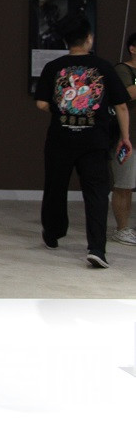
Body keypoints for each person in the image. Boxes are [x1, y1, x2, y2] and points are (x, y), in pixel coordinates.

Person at [34, 15, 131, 268]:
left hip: (60, 140)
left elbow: (41, 103)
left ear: (67, 40)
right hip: (94, 141)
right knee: (96, 193)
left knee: (55, 188)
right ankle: (97, 248)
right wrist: (125, 138)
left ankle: (53, 233)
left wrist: (64, 109)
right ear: (89, 38)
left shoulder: (53, 67)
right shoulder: (103, 67)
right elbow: (121, 106)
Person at [109, 32, 136, 244]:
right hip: (127, 137)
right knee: (124, 184)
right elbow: (129, 93)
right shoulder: (122, 69)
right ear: (132, 49)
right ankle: (122, 228)